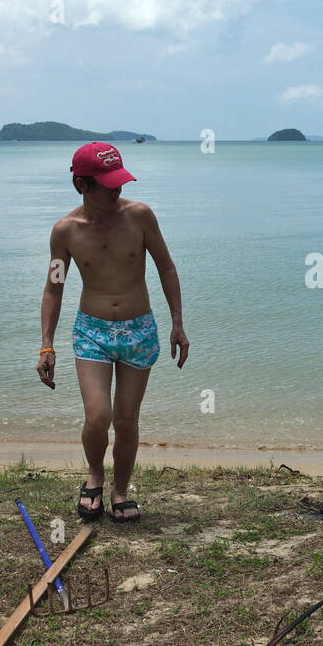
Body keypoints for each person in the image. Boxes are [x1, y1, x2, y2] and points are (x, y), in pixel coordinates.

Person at [36, 142, 189, 522]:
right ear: (81, 185)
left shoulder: (140, 217)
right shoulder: (65, 231)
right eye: (107, 185)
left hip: (140, 330)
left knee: (125, 419)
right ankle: (94, 476)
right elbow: (54, 286)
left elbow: (166, 268)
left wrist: (178, 324)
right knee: (98, 416)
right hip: (92, 331)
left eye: (120, 182)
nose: (117, 190)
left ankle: (120, 489)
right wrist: (46, 345)